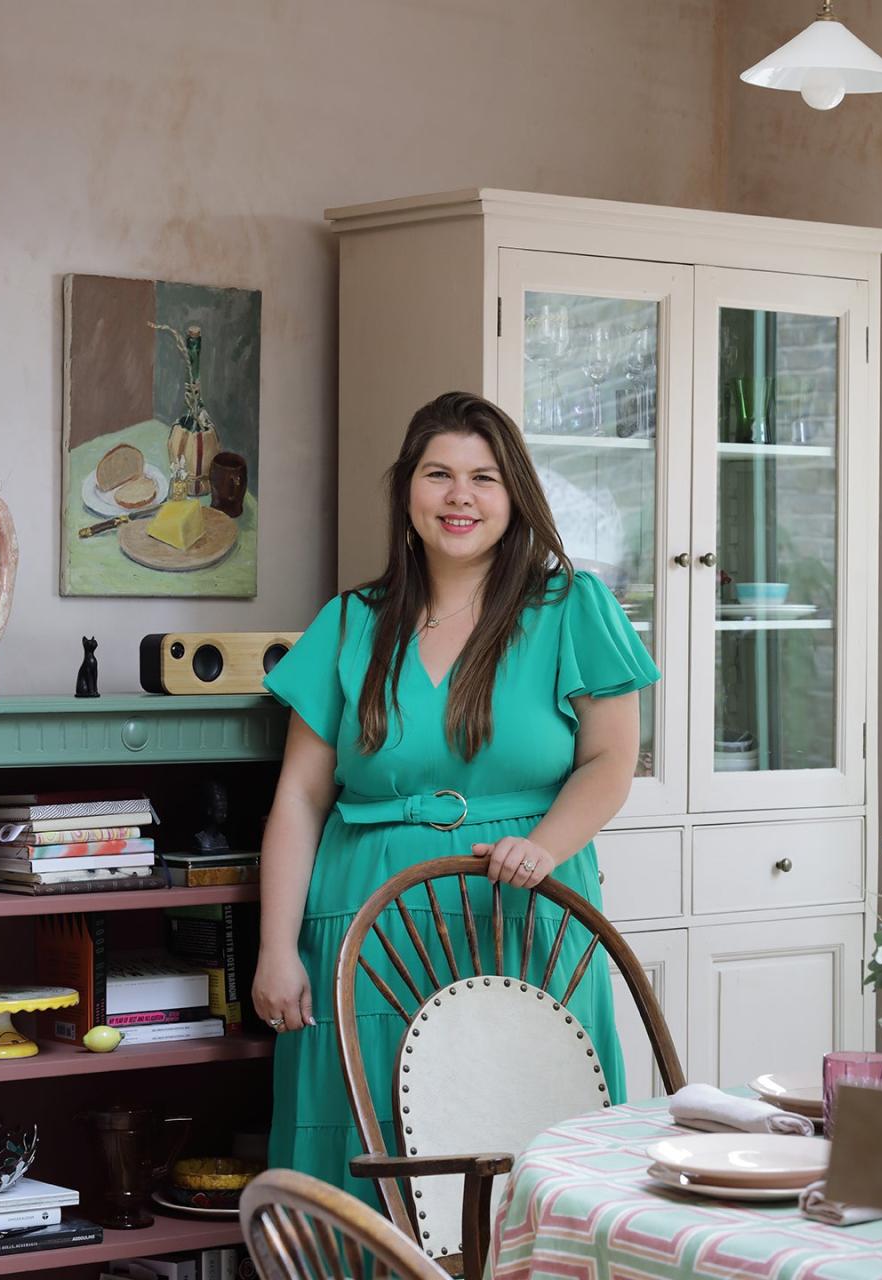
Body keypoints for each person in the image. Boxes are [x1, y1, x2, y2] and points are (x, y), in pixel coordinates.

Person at [251, 391, 659, 1202]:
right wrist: (275, 947)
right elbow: (299, 798)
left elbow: (612, 761)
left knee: (531, 1128)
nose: (460, 496)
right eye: (438, 474)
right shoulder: (349, 622)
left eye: (484, 477)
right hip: (363, 917)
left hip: (527, 904)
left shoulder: (572, 607)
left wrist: (543, 845)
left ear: (516, 497)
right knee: (365, 1137)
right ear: (408, 490)